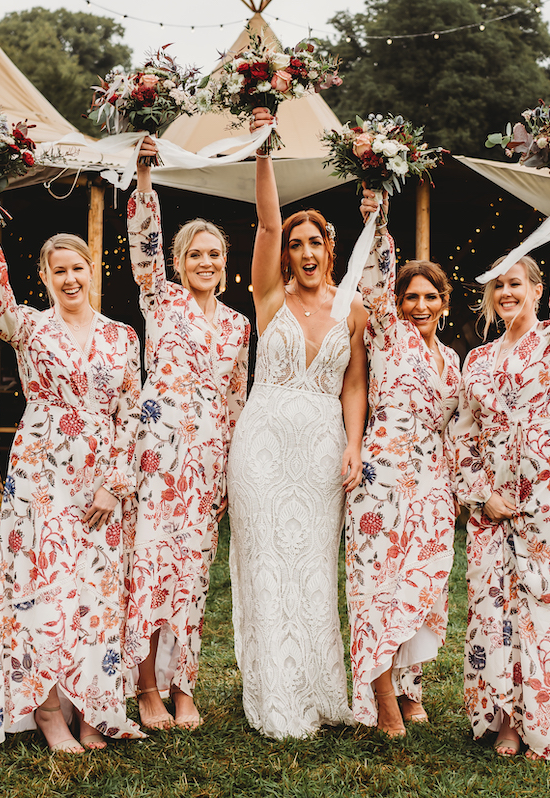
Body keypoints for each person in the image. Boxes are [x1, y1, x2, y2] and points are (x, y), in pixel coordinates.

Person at [0, 189, 144, 752]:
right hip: (42, 475)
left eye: (78, 269)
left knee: (96, 593)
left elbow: (132, 415)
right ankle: (47, 713)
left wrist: (115, 486)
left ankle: (95, 708)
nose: (70, 279)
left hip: (99, 479)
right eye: (58, 270)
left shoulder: (123, 337)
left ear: (93, 271)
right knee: (41, 588)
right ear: (44, 276)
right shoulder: (29, 329)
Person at [226, 107, 368, 738]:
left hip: (321, 450)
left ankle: (316, 686)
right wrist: (264, 150)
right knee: (265, 563)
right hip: (261, 447)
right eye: (295, 243)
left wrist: (354, 447)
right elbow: (263, 219)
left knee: (313, 563)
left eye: (315, 243)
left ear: (329, 250)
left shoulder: (353, 307)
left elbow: (355, 384)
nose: (305, 252)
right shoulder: (268, 298)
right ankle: (274, 694)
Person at [451, 179, 550, 762]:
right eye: (499, 285)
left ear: (537, 290)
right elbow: (461, 435)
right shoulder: (476, 359)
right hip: (492, 499)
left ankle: (547, 725)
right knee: (493, 608)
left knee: (545, 605)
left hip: (546, 493)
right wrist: (479, 497)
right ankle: (506, 719)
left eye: (517, 282)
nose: (507, 292)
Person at [124, 137, 252, 730]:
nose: (206, 262)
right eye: (196, 254)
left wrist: (230, 472)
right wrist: (146, 182)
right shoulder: (160, 300)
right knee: (149, 565)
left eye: (215, 255)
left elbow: (237, 401)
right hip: (156, 457)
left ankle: (183, 685)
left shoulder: (238, 325)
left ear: (226, 264)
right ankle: (146, 687)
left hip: (205, 464)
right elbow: (142, 245)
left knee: (192, 576)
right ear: (178, 263)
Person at [345, 189, 461, 738]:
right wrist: (379, 216)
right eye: (409, 296)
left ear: (444, 302)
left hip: (434, 483)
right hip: (384, 478)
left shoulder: (453, 359)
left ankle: (410, 682)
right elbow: (374, 272)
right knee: (378, 583)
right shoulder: (387, 335)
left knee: (423, 583)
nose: (419, 305)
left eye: (429, 297)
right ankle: (383, 693)